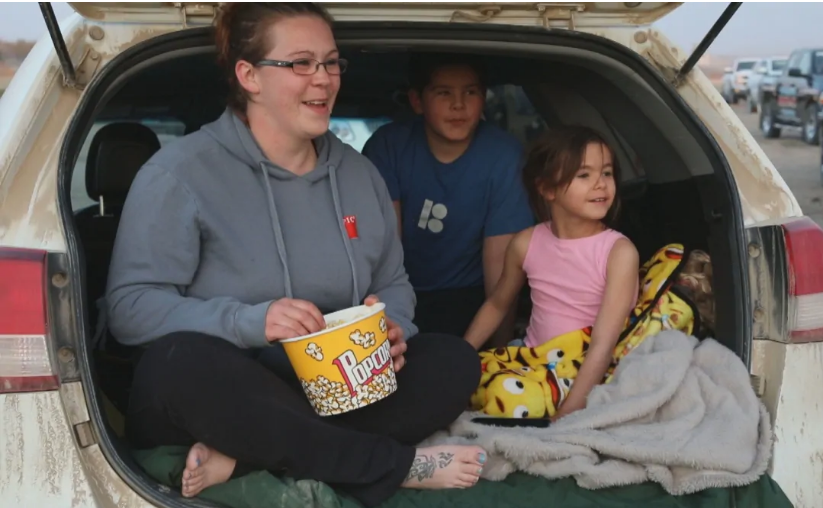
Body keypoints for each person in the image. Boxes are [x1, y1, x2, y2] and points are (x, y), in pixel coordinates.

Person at [104, 4, 485, 507]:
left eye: (331, 63)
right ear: (249, 76)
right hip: (229, 385)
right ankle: (390, 466)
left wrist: (391, 329)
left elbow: (394, 281)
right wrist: (253, 321)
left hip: (333, 383)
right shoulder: (179, 173)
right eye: (301, 63)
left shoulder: (359, 174)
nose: (323, 80)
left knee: (453, 361)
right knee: (179, 364)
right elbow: (129, 310)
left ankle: (245, 457)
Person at [462, 125, 640, 421]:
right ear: (547, 189)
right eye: (584, 175)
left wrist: (569, 413)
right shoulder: (526, 242)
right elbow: (497, 304)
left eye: (607, 173)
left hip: (582, 368)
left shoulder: (618, 253)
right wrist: (461, 357)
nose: (601, 184)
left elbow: (603, 343)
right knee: (468, 381)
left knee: (502, 394)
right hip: (531, 359)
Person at [362, 54, 535, 345]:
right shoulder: (389, 146)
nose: (459, 105)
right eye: (444, 93)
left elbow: (501, 275)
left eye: (470, 92)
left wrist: (499, 355)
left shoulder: (504, 156)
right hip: (397, 289)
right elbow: (385, 253)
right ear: (417, 101)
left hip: (467, 297)